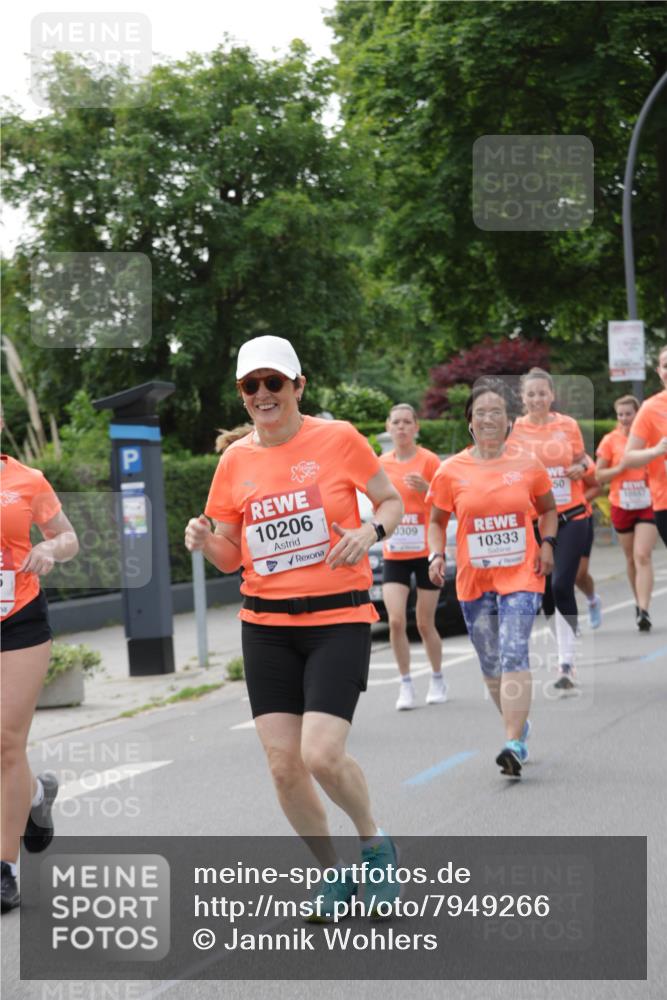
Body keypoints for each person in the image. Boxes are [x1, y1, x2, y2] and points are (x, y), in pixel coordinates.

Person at [185, 335, 404, 920]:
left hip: (337, 619)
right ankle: (333, 875)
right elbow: (231, 557)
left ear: (298, 386)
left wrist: (369, 534)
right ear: (242, 395)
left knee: (321, 755)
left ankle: (374, 843)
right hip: (266, 626)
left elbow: (390, 501)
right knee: (283, 767)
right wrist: (207, 542)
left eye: (273, 383)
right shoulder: (235, 462)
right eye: (250, 385)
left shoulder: (338, 439)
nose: (262, 394)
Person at [428, 378, 557, 778]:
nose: (488, 419)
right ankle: (517, 725)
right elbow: (436, 520)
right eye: (480, 413)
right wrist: (436, 553)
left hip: (521, 572)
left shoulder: (527, 465)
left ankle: (513, 743)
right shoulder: (451, 471)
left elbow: (548, 509)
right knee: (490, 662)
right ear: (470, 422)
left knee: (514, 649)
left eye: (496, 412)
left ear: (508, 422)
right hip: (474, 579)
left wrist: (548, 542)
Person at [1, 426, 79, 913]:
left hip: (18, 621)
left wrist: (51, 549)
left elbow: (67, 536)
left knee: (6, 742)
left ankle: (3, 868)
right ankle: (34, 796)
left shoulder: (26, 479)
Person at [510, 368, 592, 690]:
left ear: (552, 395)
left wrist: (580, 468)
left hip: (571, 514)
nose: (536, 399)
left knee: (561, 585)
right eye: (530, 394)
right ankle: (564, 650)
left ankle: (567, 664)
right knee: (544, 592)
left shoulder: (567, 425)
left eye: (542, 393)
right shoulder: (514, 430)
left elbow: (586, 462)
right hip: (536, 519)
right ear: (522, 397)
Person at [379, 404, 446, 710]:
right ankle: (405, 684)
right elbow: (377, 502)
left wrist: (428, 488)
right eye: (397, 423)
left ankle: (436, 677)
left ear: (416, 428)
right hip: (395, 551)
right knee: (394, 621)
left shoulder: (429, 460)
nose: (402, 427)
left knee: (423, 622)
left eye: (408, 422)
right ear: (389, 428)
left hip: (425, 551)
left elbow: (446, 502)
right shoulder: (381, 465)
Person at [596, 395, 658, 631]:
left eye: (628, 414)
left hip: (647, 503)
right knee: (631, 558)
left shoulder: (649, 438)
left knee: (642, 555)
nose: (624, 418)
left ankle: (644, 609)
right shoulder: (610, 441)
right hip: (621, 505)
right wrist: (621, 467)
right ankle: (637, 601)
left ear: (637, 413)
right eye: (620, 414)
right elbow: (599, 476)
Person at [623, 344, 667, 548]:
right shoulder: (650, 409)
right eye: (665, 366)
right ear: (659, 371)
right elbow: (629, 457)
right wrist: (657, 450)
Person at [574, 456, 603, 629]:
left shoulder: (579, 458)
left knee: (579, 574)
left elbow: (597, 487)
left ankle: (592, 600)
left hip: (578, 518)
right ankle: (569, 623)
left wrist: (575, 504)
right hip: (548, 521)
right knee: (557, 578)